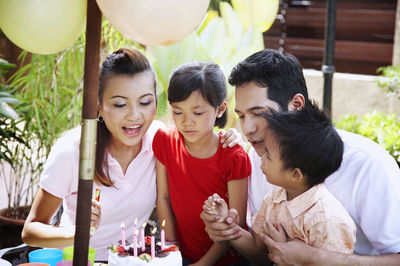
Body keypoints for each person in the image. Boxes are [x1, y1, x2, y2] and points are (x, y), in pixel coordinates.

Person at [21, 48, 242, 261]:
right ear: (98, 106)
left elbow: (202, 136)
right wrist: (76, 231)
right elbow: (30, 231)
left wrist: (230, 137)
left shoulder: (159, 140)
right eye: (119, 104)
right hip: (77, 260)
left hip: (129, 260)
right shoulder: (73, 150)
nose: (134, 116)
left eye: (145, 102)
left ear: (156, 105)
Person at [201, 49, 400, 265]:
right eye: (241, 115)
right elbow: (263, 255)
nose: (247, 128)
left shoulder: (368, 165)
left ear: (296, 105)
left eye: (259, 113)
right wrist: (228, 231)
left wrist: (316, 258)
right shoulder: (259, 159)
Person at [204, 102, 357, 262]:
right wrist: (227, 225)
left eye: (268, 155)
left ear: (295, 174)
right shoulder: (276, 196)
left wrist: (287, 253)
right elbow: (256, 246)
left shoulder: (326, 221)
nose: (260, 159)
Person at [153, 62, 251, 265]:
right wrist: (172, 251)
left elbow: (235, 222)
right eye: (178, 112)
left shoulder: (234, 156)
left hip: (227, 261)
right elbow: (162, 198)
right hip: (181, 256)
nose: (187, 121)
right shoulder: (165, 141)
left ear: (220, 109)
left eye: (197, 113)